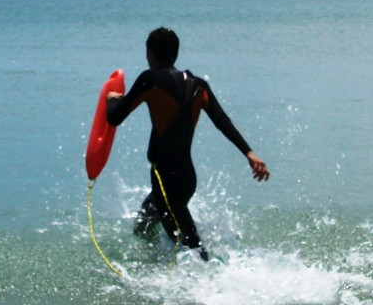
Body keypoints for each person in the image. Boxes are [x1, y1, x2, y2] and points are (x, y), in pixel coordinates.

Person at [106, 27, 269, 261]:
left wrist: (111, 100)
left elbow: (114, 118)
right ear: (175, 53)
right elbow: (221, 121)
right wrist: (249, 153)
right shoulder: (198, 85)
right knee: (144, 223)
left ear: (150, 53)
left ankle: (212, 281)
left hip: (165, 178)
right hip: (186, 177)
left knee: (190, 244)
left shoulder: (149, 80)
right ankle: (154, 268)